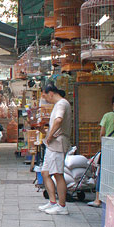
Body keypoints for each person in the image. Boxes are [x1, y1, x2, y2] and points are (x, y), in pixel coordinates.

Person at [38, 84, 72, 215]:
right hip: (52, 144)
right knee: (45, 173)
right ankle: (52, 202)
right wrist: (46, 132)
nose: (45, 99)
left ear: (51, 93)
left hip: (57, 144)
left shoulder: (61, 104)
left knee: (58, 174)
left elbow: (58, 120)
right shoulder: (58, 105)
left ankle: (62, 206)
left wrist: (50, 136)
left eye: (45, 95)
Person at [88, 95, 114, 208]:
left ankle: (98, 199)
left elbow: (102, 133)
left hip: (108, 148)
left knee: (103, 173)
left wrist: (102, 143)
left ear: (113, 104)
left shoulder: (108, 116)